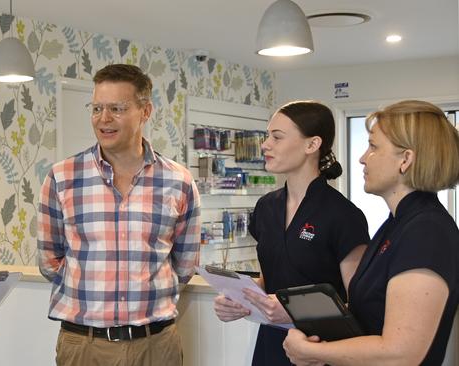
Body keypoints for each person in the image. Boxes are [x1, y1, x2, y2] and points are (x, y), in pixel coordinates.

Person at [37, 64, 201, 365]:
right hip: (84, 345)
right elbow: (50, 261)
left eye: (117, 108)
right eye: (97, 108)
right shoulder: (62, 177)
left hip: (156, 345)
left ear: (145, 111)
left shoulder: (179, 181)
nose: (104, 119)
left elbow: (184, 265)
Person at [283, 100, 459, 365]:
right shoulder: (397, 224)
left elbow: (402, 353)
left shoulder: (427, 232)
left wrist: (313, 352)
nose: (363, 158)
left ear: (406, 159)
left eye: (373, 147)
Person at [213, 101, 370, 365]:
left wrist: (294, 312)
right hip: (271, 343)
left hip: (320, 350)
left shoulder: (344, 215)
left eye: (277, 137)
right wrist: (238, 299)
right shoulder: (266, 207)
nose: (265, 145)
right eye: (266, 136)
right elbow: (271, 280)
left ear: (312, 145)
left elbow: (357, 304)